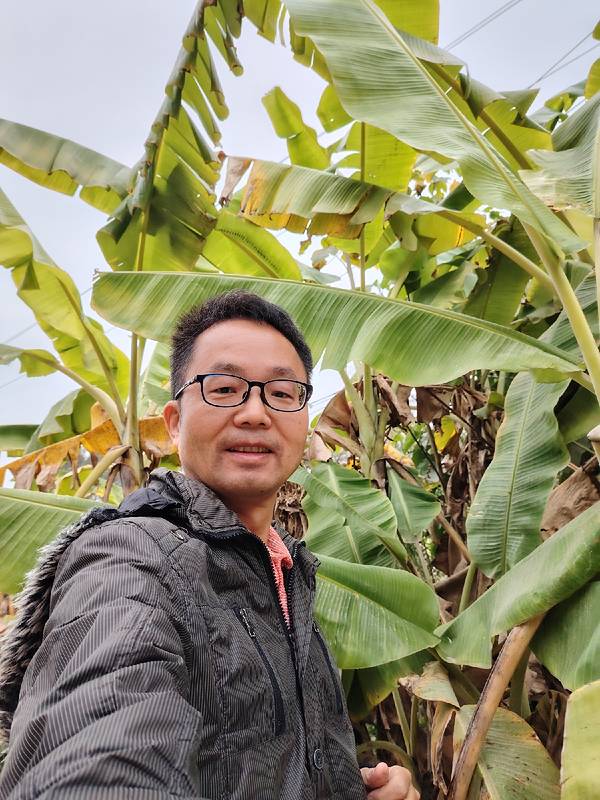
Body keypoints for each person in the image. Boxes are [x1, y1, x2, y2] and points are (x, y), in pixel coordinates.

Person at [0, 291, 419, 800]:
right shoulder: (129, 559)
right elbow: (99, 752)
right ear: (174, 422)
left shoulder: (289, 575)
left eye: (282, 392)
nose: (255, 412)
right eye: (224, 389)